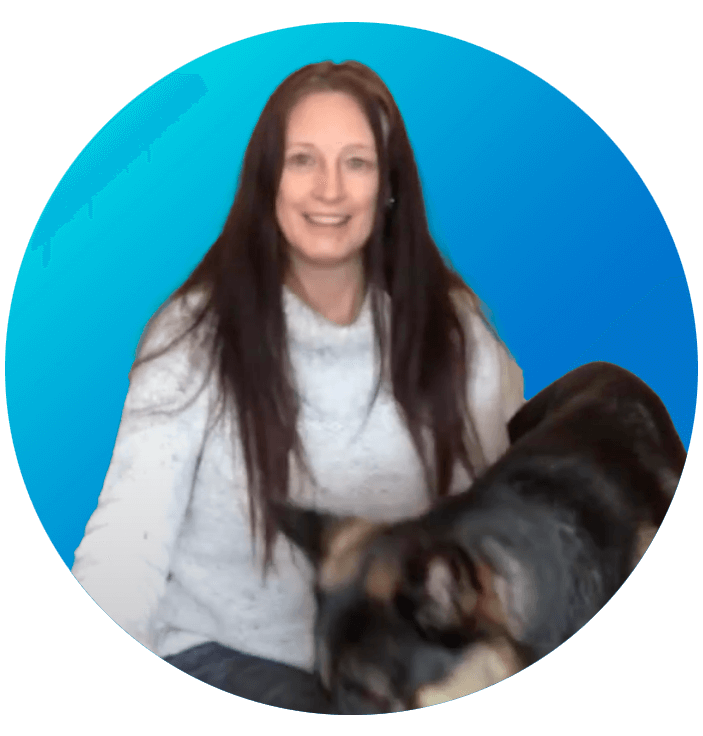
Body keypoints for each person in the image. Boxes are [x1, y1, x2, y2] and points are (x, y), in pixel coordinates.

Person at [71, 60, 525, 713]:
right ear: (268, 181)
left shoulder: (454, 329)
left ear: (389, 185)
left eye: (356, 163)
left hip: (403, 656)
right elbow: (128, 539)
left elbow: (505, 509)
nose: (329, 190)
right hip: (225, 652)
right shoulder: (194, 336)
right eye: (303, 160)